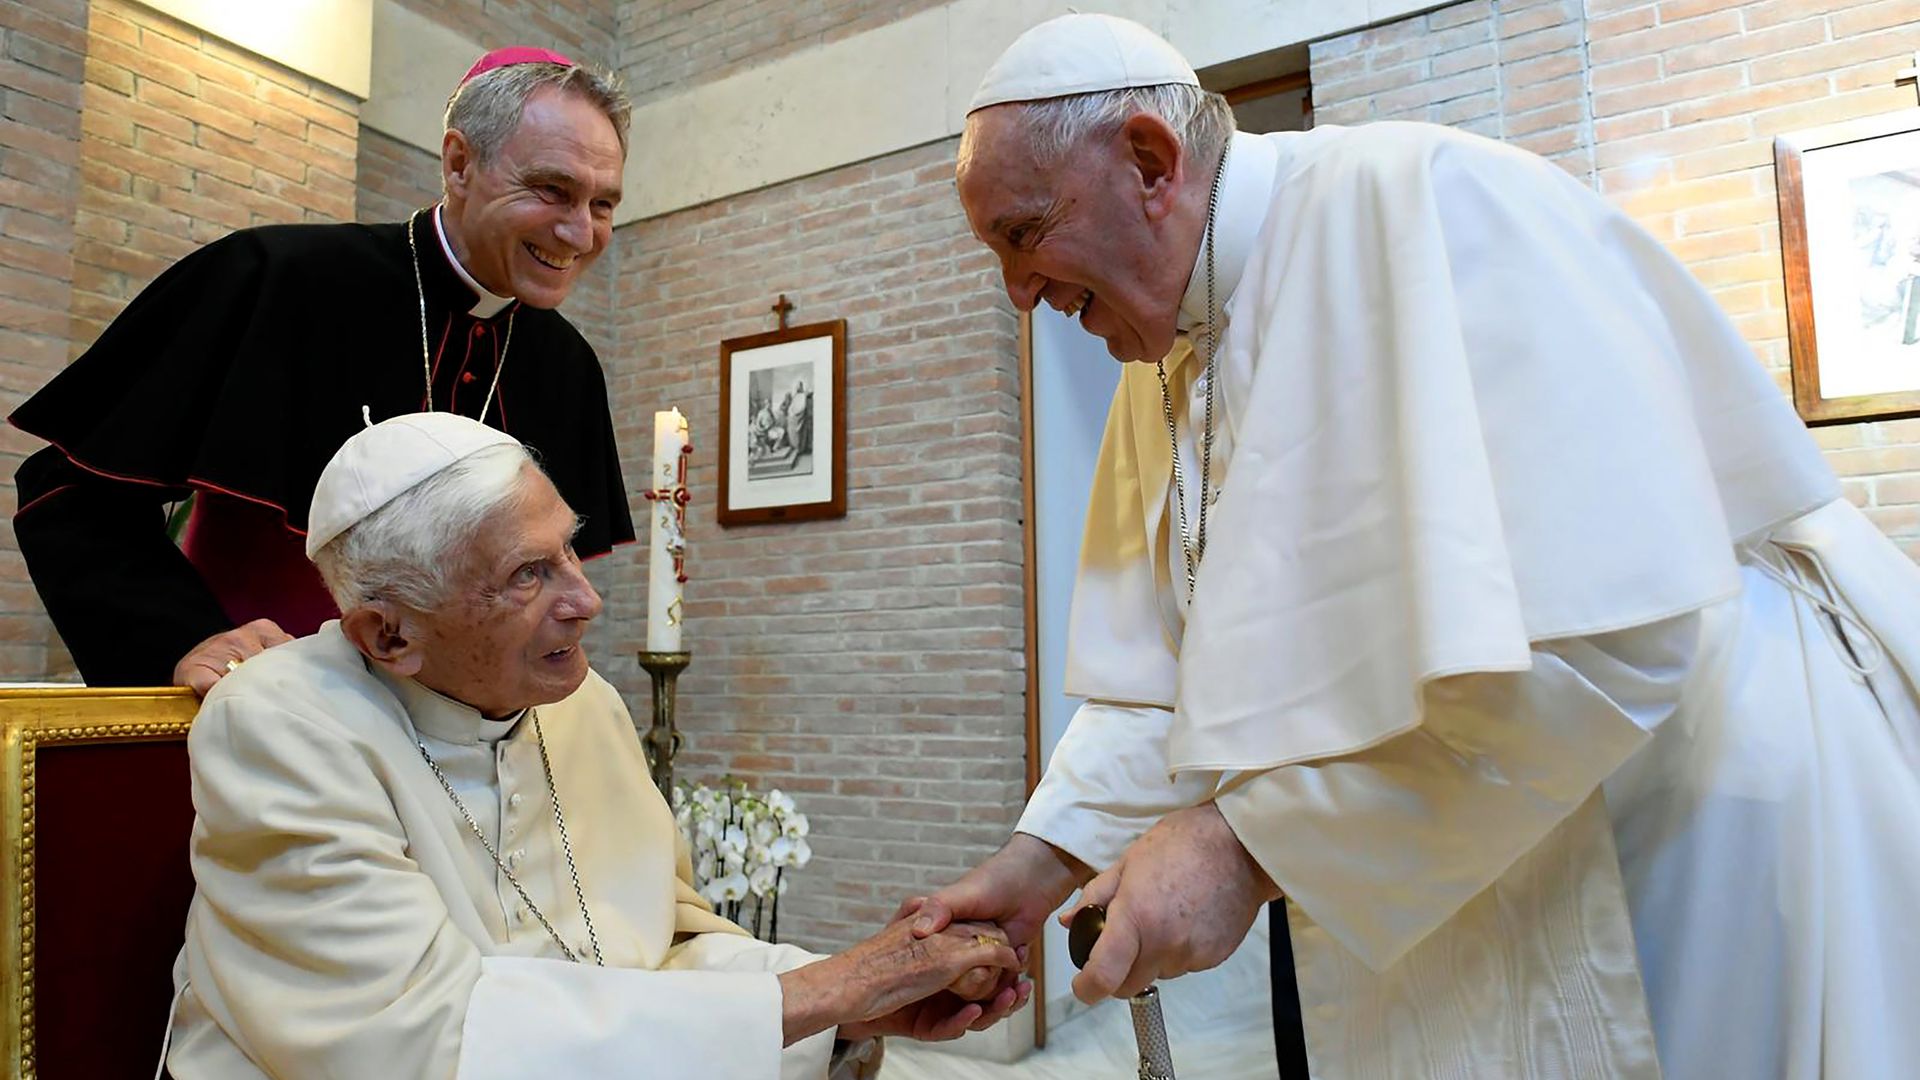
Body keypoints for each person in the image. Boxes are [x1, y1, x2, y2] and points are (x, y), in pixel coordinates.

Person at [906, 13, 1920, 1079]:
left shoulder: (1429, 202)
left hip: (1686, 823)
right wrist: (1038, 862)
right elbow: (1153, 684)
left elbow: (1612, 641)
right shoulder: (1161, 359)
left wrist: (1250, 849)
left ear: (1151, 163)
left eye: (1024, 235)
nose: (1018, 294)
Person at [164, 412, 1031, 1078]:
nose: (587, 601)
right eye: (527, 575)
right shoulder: (279, 725)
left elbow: (670, 943)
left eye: (568, 550)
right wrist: (822, 997)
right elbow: (427, 1043)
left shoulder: (584, 705)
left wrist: (851, 1003)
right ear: (388, 636)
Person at [10, 47, 633, 696]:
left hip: (463, 755)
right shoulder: (276, 280)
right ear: (459, 165)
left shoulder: (569, 368)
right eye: (552, 190)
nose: (578, 232)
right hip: (266, 721)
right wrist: (184, 637)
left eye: (603, 205)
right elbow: (68, 493)